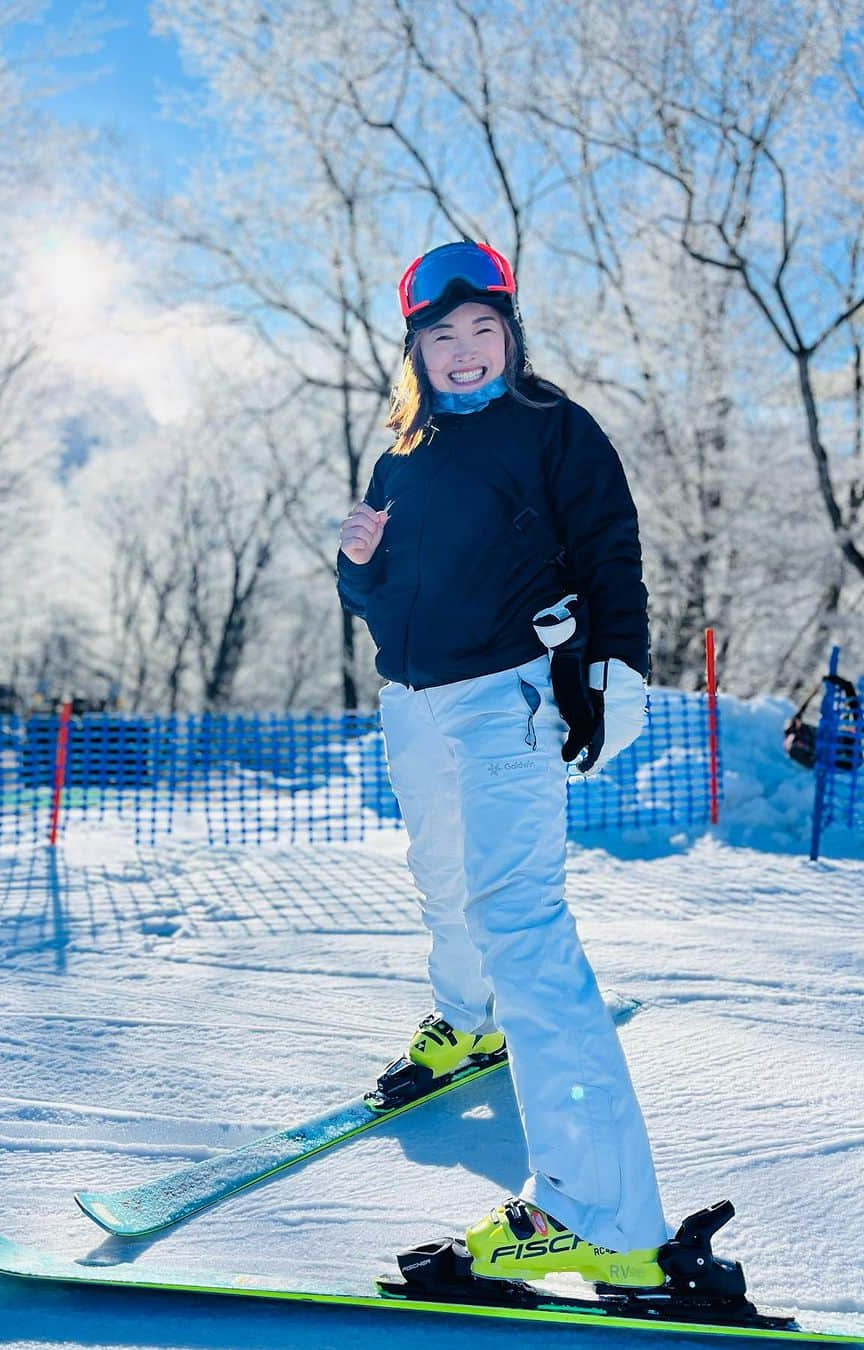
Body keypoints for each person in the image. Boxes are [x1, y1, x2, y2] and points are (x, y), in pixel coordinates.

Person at [335, 240, 671, 1290]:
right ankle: (467, 1026)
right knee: (446, 885)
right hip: (417, 700)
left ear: (511, 331)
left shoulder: (555, 429)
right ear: (417, 353)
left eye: (485, 329)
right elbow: (390, 599)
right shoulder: (404, 451)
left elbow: (610, 543)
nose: (467, 349)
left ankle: (600, 1213)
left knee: (521, 921)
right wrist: (358, 569)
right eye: (444, 336)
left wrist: (617, 664)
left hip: (511, 693)